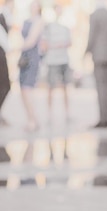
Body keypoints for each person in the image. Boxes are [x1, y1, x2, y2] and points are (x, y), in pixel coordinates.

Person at [85, 0, 107, 128]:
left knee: (101, 88)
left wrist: (86, 52)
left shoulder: (94, 16)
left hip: (99, 57)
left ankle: (102, 119)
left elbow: (91, 36)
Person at [40, 4, 72, 123]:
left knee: (65, 87)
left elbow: (69, 42)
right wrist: (56, 45)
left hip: (64, 60)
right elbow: (44, 45)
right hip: (52, 61)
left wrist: (60, 45)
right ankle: (49, 114)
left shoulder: (65, 27)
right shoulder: (48, 27)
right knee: (50, 87)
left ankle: (67, 113)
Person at [19, 1, 44, 132]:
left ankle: (32, 120)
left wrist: (13, 48)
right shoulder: (26, 20)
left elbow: (31, 40)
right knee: (23, 90)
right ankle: (32, 118)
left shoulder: (39, 21)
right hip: (24, 57)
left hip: (31, 58)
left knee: (27, 88)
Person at [0, 0, 13, 126]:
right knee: (5, 85)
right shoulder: (2, 15)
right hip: (1, 54)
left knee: (5, 86)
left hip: (2, 54)